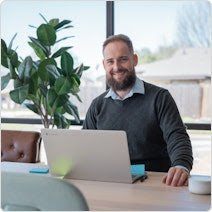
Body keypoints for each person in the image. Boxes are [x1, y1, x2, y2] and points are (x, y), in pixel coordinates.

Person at [83, 34, 193, 187]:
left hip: (155, 182)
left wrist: (181, 165)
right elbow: (84, 147)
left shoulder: (160, 98)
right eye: (110, 61)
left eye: (123, 59)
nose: (116, 67)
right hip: (111, 183)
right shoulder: (97, 105)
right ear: (104, 65)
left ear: (134, 60)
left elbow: (177, 136)